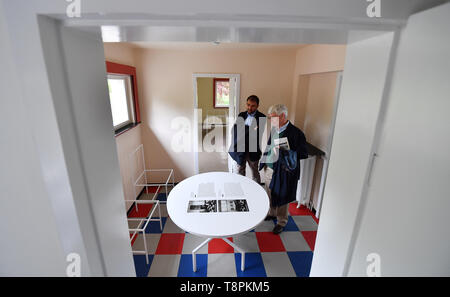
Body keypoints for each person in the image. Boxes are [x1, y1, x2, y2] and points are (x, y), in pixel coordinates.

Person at [259, 104, 308, 234]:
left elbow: (303, 153)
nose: (271, 121)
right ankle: (272, 213)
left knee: (282, 196)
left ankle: (281, 221)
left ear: (283, 116)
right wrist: (263, 161)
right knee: (270, 192)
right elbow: (269, 145)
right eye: (270, 118)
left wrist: (287, 150)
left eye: (273, 118)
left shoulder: (296, 133)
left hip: (283, 171)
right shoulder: (275, 129)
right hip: (269, 168)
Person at [228, 95, 266, 183]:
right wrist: (250, 129)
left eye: (253, 106)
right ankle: (241, 191)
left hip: (253, 149)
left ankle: (257, 192)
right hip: (240, 149)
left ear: (257, 106)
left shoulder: (262, 117)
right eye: (248, 105)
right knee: (240, 172)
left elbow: (257, 133)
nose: (250, 107)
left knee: (255, 173)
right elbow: (235, 130)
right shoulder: (241, 115)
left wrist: (244, 129)